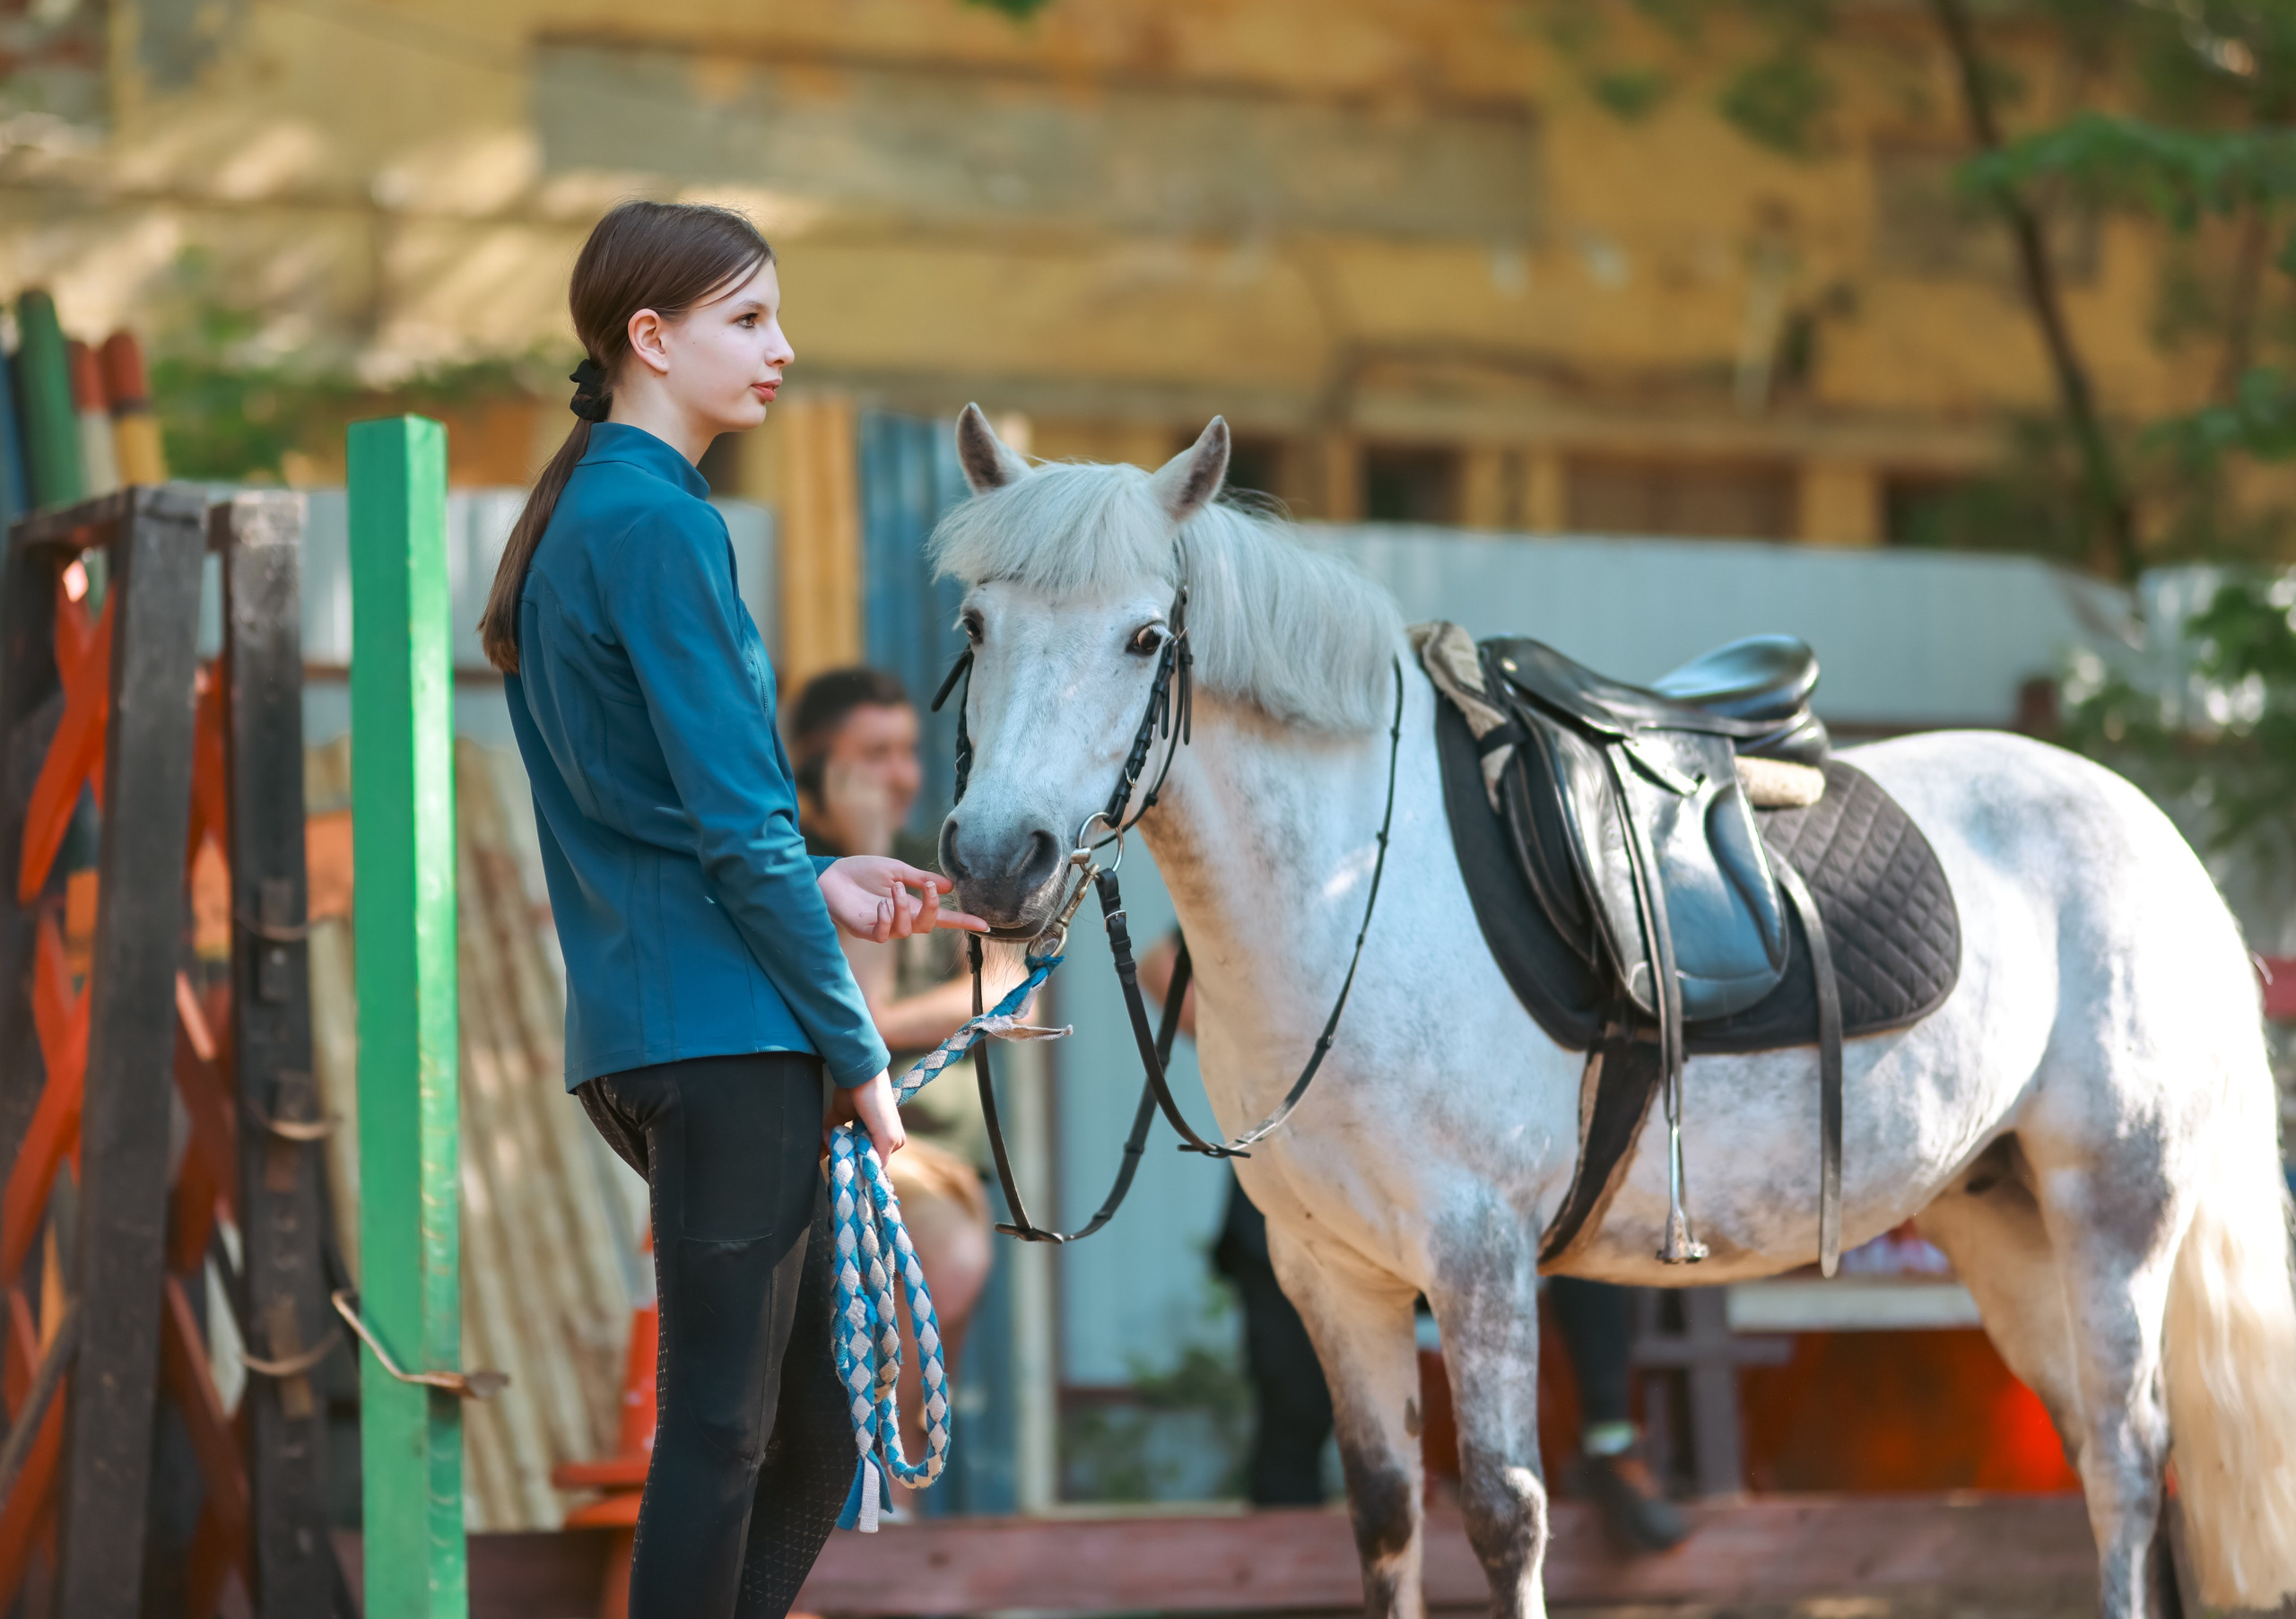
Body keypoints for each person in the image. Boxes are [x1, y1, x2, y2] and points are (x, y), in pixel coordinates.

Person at [478, 199, 985, 1618]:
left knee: (814, 1425)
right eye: (747, 320)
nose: (783, 349)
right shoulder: (656, 523)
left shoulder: (595, 515)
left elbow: (666, 810)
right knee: (720, 1434)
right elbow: (740, 824)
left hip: (659, 1032)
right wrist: (863, 1052)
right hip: (723, 1045)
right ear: (650, 337)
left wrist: (823, 875)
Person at [1138, 937, 1685, 1550]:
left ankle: (1611, 1445)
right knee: (1293, 1408)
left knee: (1584, 1215)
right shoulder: (1311, 870)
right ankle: (1284, 1576)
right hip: (1307, 1181)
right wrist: (1254, 1049)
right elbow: (1161, 967)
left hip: (1444, 1173)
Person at [787, 666, 1002, 1504]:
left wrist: (888, 1021)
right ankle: (859, 1508)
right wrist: (858, 835)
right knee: (936, 1262)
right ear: (812, 768)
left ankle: (882, 1507)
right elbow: (863, 1020)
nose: (901, 775)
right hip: (829, 1150)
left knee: (933, 1285)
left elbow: (1004, 989)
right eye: (873, 754)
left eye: (908, 751)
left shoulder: (942, 862)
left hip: (929, 1153)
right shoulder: (791, 872)